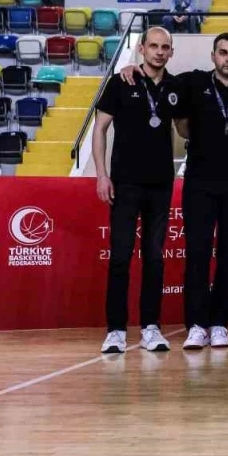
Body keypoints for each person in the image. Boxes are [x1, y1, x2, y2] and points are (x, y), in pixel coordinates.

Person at [172, 34, 228, 350]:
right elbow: (178, 119)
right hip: (200, 180)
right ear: (213, 56)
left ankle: (220, 323)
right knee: (197, 254)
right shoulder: (194, 82)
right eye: (223, 53)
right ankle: (197, 325)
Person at [94, 28, 178, 353]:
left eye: (165, 47)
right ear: (142, 48)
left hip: (161, 184)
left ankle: (150, 328)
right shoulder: (121, 82)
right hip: (125, 184)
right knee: (120, 256)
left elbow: (185, 126)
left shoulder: (175, 86)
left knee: (155, 258)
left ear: (171, 52)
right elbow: (100, 129)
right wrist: (102, 175)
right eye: (153, 46)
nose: (159, 51)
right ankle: (115, 330)